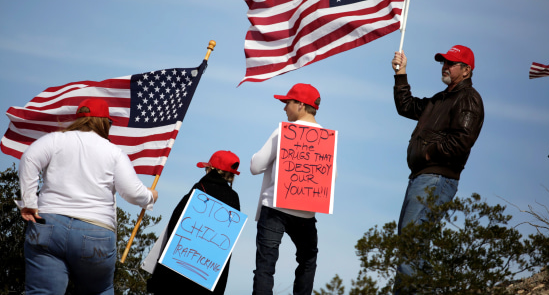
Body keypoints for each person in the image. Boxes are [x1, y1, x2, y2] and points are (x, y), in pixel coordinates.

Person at [18, 98, 158, 295]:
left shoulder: (56, 139)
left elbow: (29, 158)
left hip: (48, 224)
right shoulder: (114, 152)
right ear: (104, 123)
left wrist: (30, 202)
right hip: (96, 231)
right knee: (100, 290)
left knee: (42, 291)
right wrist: (150, 196)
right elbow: (133, 192)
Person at [391, 45, 484, 293]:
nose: (444, 66)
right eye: (443, 62)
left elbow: (462, 140)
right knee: (413, 244)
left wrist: (430, 153)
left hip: (436, 178)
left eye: (450, 63)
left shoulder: (469, 98)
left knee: (412, 243)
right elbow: (406, 106)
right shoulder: (440, 99)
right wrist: (401, 73)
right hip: (422, 178)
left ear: (466, 71)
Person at [251, 83, 323, 295]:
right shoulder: (326, 138)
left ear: (301, 105)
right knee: (308, 259)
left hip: (275, 207)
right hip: (306, 213)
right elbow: (332, 176)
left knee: (266, 265)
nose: (284, 108)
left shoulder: (283, 131)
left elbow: (255, 166)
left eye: (287, 103)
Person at [147, 150, 241, 295]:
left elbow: (175, 224)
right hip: (208, 280)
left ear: (211, 170)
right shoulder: (234, 199)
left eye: (206, 168)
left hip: (177, 276)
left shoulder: (200, 189)